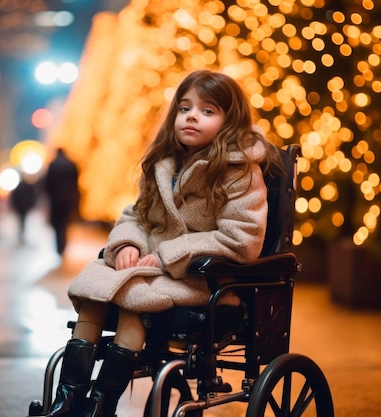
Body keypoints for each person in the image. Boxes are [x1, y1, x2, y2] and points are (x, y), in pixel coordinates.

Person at [43, 70, 281, 417]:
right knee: (95, 292)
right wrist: (129, 245)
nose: (192, 116)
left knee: (133, 300)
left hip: (202, 280)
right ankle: (69, 398)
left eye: (207, 111)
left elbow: (241, 238)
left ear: (230, 121)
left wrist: (168, 254)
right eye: (185, 108)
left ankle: (101, 403)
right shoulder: (164, 166)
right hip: (150, 270)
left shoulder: (240, 170)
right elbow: (136, 216)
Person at [43, 148, 79, 255]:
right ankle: (63, 245)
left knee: (57, 224)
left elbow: (47, 184)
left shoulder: (53, 165)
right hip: (68, 199)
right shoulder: (71, 164)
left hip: (55, 200)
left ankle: (59, 246)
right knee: (64, 223)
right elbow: (75, 183)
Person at [9, 174, 37, 244]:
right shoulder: (28, 186)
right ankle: (22, 232)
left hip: (20, 207)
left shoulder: (18, 187)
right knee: (23, 220)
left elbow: (14, 197)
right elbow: (32, 196)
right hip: (25, 206)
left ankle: (21, 232)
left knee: (20, 220)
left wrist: (14, 205)